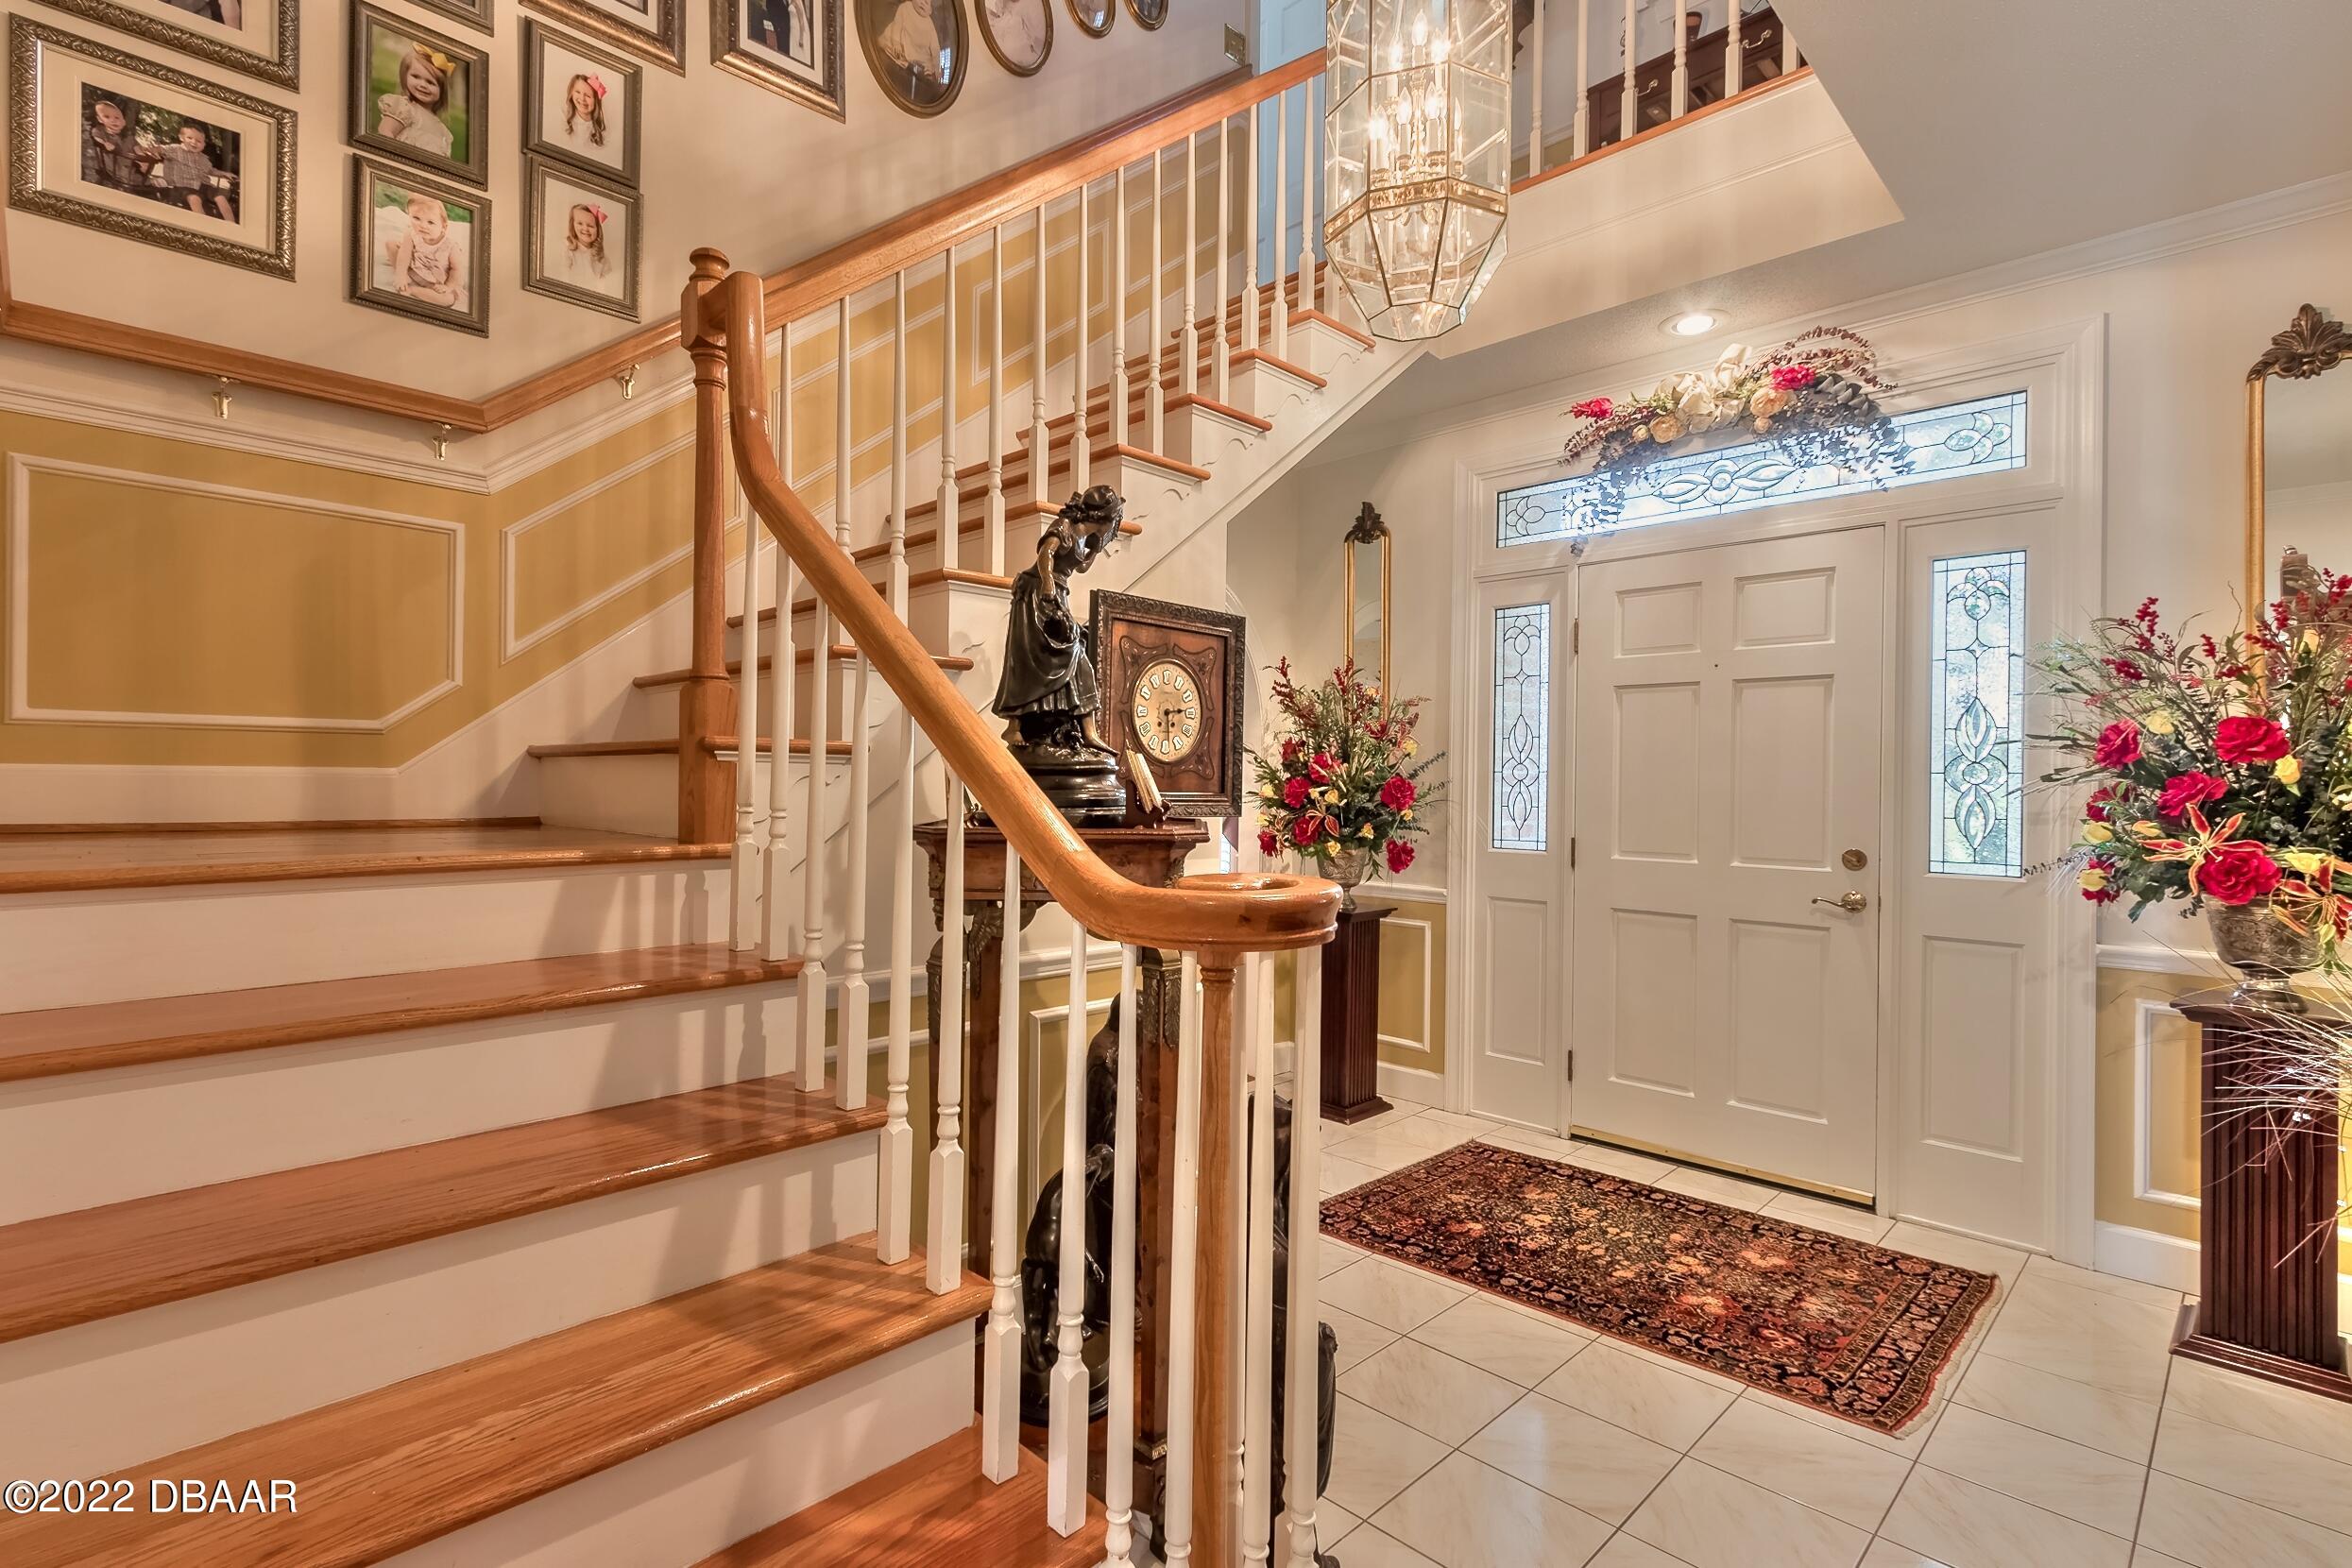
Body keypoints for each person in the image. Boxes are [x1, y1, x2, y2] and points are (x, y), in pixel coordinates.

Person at [991, 486, 1122, 757]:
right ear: (1104, 518)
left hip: (1057, 592)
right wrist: (1048, 585)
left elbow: (1081, 565)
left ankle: (1089, 732)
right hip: (1037, 592)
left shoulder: (1085, 538)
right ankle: (1014, 725)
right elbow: (1045, 554)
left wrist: (1097, 548)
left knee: (1074, 657)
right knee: (1030, 658)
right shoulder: (1065, 526)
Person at [378, 43, 456, 160]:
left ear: (442, 90)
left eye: (430, 82)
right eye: (415, 76)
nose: (422, 85)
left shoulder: (443, 132)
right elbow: (385, 131)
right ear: (405, 76)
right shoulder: (404, 108)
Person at [388, 192, 465, 309]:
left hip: (435, 283)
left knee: (448, 300)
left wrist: (448, 286)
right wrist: (401, 274)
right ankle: (404, 280)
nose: (423, 226)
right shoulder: (411, 234)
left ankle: (412, 290)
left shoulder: (450, 246)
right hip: (414, 270)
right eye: (416, 218)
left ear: (444, 226)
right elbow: (404, 255)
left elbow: (457, 269)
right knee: (391, 245)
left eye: (430, 222)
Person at [152, 122, 231, 221]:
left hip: (204, 185)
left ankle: (231, 223)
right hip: (183, 186)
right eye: (189, 138)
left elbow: (211, 170)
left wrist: (224, 173)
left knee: (221, 198)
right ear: (181, 138)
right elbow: (161, 149)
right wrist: (155, 150)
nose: (194, 142)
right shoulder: (174, 149)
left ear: (203, 145)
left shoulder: (203, 158)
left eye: (198, 141)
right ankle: (202, 224)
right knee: (195, 199)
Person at [874, 0, 947, 98]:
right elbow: (897, 24)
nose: (922, 4)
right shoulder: (905, 8)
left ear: (930, 8)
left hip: (918, 51)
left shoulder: (929, 23)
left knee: (928, 66)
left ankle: (929, 75)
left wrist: (936, 66)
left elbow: (935, 47)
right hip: (902, 41)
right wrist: (896, 43)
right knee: (892, 49)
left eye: (927, 2)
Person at [81, 97, 152, 195]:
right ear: (99, 119)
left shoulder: (128, 138)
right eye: (107, 117)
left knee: (143, 177)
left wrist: (143, 160)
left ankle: (149, 179)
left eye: (117, 118)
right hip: (111, 169)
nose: (113, 121)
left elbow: (137, 149)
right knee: (129, 178)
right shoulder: (100, 131)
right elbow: (96, 137)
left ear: (123, 122)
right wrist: (104, 143)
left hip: (128, 169)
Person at [557, 201, 612, 288]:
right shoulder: (566, 248)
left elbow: (606, 284)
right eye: (580, 223)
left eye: (590, 226)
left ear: (598, 230)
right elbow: (562, 277)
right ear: (573, 225)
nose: (585, 228)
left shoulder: (602, 257)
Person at [557, 72, 605, 152]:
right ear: (571, 93)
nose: (582, 98)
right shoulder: (563, 116)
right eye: (578, 92)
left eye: (588, 96)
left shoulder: (600, 129)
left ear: (596, 101)